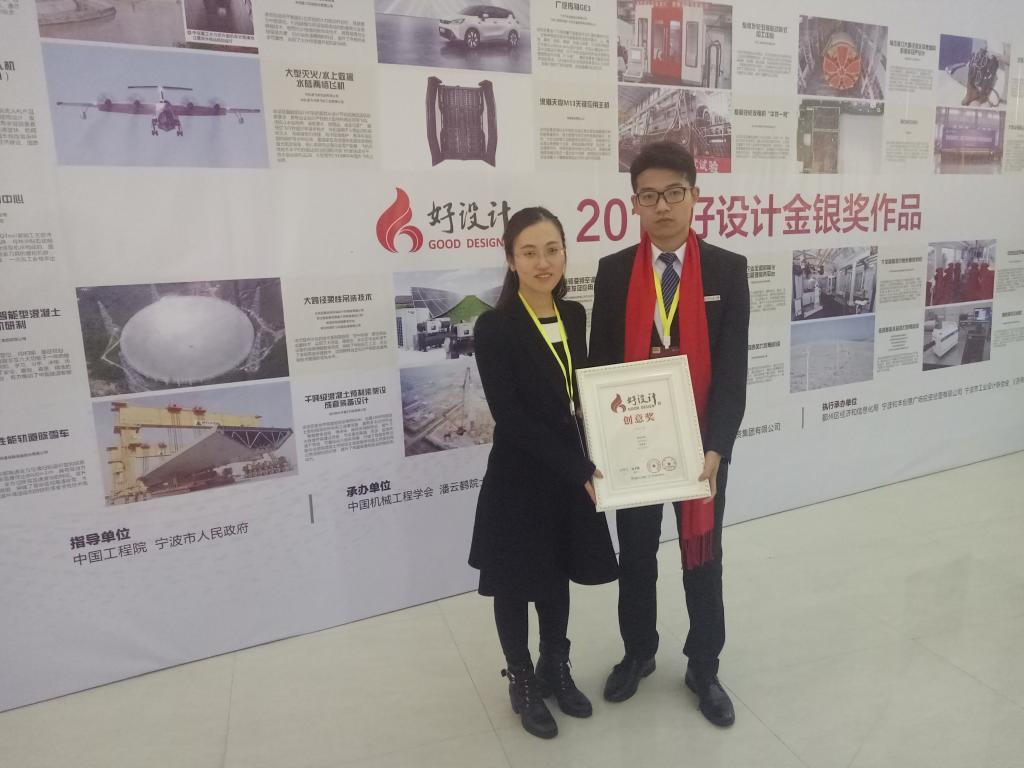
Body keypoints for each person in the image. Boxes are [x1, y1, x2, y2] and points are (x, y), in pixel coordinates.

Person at [589, 141, 749, 727]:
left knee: (702, 556)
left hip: (700, 448)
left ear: (694, 197)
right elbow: (600, 367)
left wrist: (717, 447)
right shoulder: (613, 273)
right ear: (634, 203)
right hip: (635, 445)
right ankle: (638, 652)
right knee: (636, 554)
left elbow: (732, 372)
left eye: (674, 193)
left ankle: (704, 665)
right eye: (649, 196)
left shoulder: (728, 270)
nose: (662, 206)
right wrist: (603, 449)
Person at [468, 206, 618, 740]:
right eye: (529, 252)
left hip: (568, 474)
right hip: (519, 475)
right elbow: (511, 417)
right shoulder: (494, 326)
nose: (542, 262)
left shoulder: (573, 314)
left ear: (565, 254)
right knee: (513, 582)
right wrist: (579, 467)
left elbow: (583, 395)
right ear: (511, 260)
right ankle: (523, 679)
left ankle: (556, 665)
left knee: (556, 575)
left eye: (552, 250)